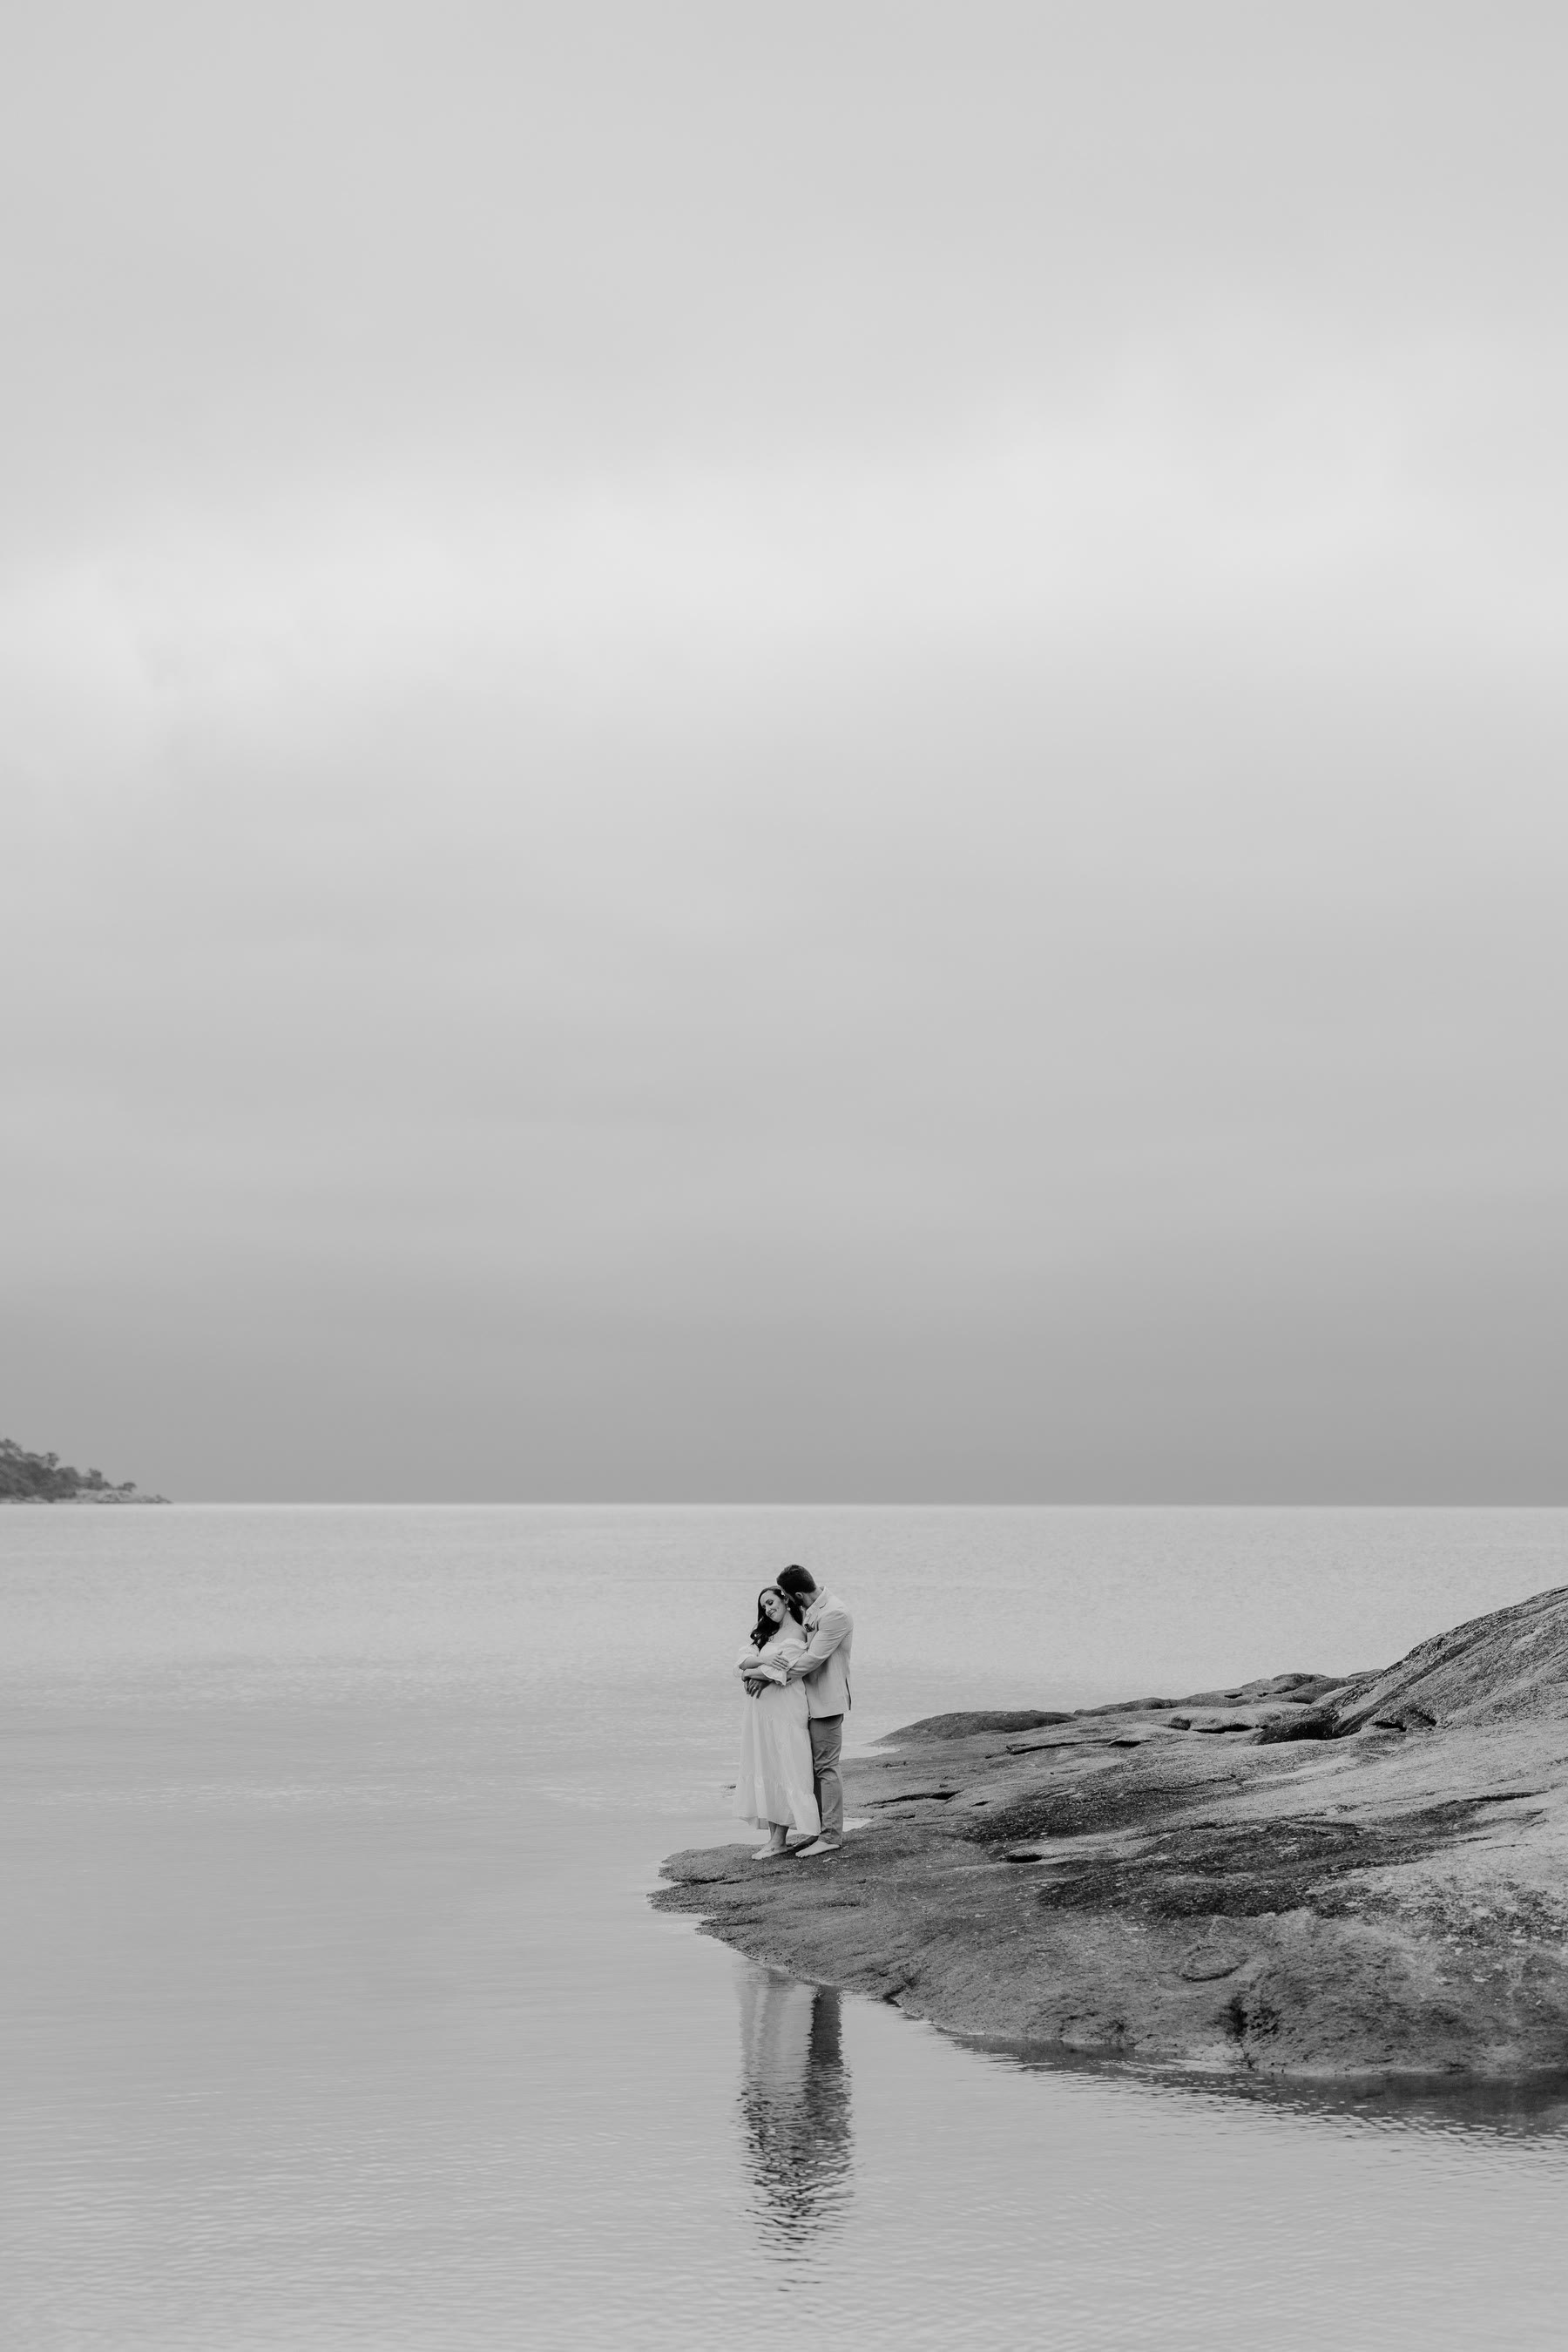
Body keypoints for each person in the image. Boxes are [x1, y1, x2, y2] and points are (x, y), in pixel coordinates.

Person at [732, 1585, 821, 1860]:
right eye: (764, 1606)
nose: (768, 1609)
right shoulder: (767, 1634)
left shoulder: (797, 1633)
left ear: (785, 1599)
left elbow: (781, 1669)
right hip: (761, 1713)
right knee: (768, 1766)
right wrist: (757, 1665)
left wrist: (754, 1673)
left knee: (785, 1766)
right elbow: (737, 1665)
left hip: (785, 1708)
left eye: (771, 1602)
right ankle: (774, 1840)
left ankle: (781, 1839)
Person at [774, 1565, 853, 1857]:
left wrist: (767, 1675)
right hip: (805, 1701)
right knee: (810, 1769)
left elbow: (812, 1659)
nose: (786, 1601)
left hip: (827, 1702)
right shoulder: (808, 1610)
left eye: (786, 1596)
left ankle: (831, 1836)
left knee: (826, 1768)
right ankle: (821, 1831)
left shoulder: (835, 1613)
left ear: (796, 1593)